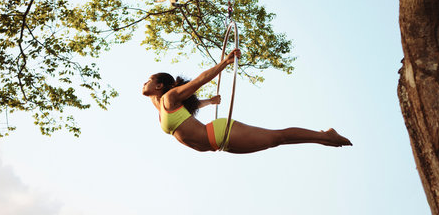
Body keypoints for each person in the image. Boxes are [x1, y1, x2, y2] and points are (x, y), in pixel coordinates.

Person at [142, 49, 352, 153]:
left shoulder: (170, 98)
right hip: (218, 143)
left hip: (219, 134)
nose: (144, 84)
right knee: (277, 140)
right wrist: (210, 101)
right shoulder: (161, 106)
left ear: (160, 86)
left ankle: (325, 136)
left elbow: (199, 80)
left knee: (277, 138)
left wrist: (224, 63)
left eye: (148, 81)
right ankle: (323, 138)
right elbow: (192, 107)